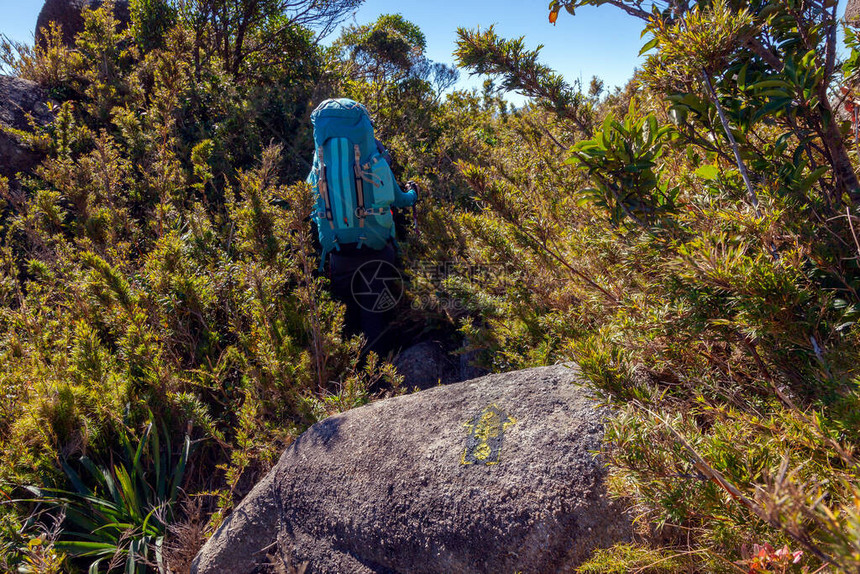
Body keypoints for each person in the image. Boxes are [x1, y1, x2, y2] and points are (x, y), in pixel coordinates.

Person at [306, 98, 417, 354]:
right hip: (377, 251)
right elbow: (400, 200)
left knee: (347, 318)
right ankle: (382, 375)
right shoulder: (374, 160)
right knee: (375, 316)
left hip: (338, 255)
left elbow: (309, 203)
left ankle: (351, 375)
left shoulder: (318, 167)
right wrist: (414, 194)